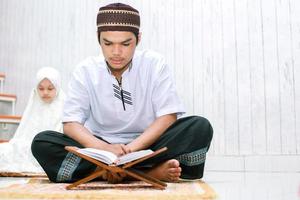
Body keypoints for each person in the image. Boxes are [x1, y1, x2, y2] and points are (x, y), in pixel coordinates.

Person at [31, 3, 213, 183]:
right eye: (108, 43)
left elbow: (168, 116)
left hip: (147, 144)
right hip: (98, 150)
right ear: (98, 38)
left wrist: (131, 150)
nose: (116, 52)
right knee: (42, 142)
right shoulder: (85, 70)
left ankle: (107, 173)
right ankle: (144, 173)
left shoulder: (155, 64)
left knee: (200, 128)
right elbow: (71, 124)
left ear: (138, 39)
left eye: (126, 44)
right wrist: (106, 149)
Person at [0, 67, 65, 174]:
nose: (45, 92)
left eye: (50, 88)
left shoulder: (63, 105)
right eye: (41, 88)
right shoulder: (34, 103)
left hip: (52, 146)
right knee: (12, 150)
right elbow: (26, 129)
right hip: (33, 143)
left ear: (57, 87)